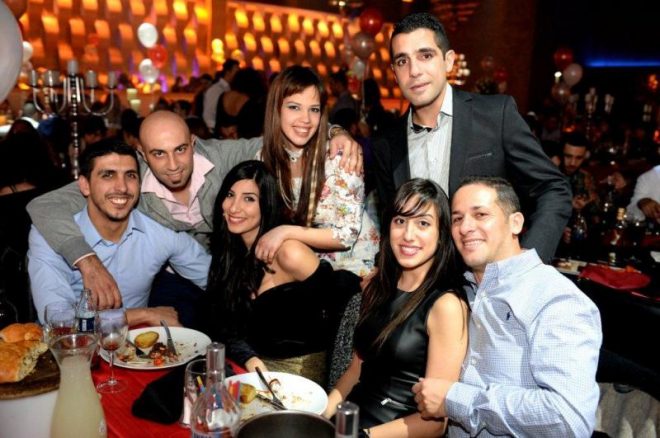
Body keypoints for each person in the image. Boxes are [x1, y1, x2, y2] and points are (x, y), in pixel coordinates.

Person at [26, 110, 362, 324]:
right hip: (176, 279)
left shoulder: (222, 156)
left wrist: (336, 133)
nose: (173, 165)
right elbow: (42, 206)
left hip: (221, 266)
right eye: (159, 154)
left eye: (180, 150)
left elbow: (288, 139)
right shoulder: (127, 177)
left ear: (194, 142)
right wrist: (87, 261)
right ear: (144, 155)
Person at [373, 12, 571, 262]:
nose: (414, 71)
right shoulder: (387, 144)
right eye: (403, 61)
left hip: (489, 278)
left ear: (448, 61)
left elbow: (553, 188)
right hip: (420, 280)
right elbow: (392, 224)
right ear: (394, 72)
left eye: (425, 56)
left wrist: (526, 266)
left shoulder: (495, 116)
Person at [412, 176, 602, 437]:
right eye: (457, 219)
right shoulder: (462, 290)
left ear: (516, 223)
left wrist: (457, 399)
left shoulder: (556, 299)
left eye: (480, 215)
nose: (465, 227)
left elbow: (569, 420)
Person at [324, 178, 468, 437]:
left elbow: (435, 423)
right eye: (400, 221)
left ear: (441, 234)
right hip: (349, 424)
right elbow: (355, 371)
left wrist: (366, 436)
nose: (408, 235)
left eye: (423, 223)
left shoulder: (446, 306)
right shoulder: (377, 287)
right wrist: (319, 416)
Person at [204, 160, 359, 385]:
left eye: (249, 199)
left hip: (298, 378)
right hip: (252, 367)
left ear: (266, 205)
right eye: (230, 195)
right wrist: (249, 358)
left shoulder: (289, 253)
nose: (234, 208)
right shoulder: (229, 252)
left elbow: (347, 303)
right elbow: (219, 321)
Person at [28, 139, 211, 327]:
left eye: (130, 176)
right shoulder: (50, 236)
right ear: (85, 185)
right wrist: (141, 315)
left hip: (139, 344)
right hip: (74, 345)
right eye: (108, 175)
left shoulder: (160, 231)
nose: (122, 187)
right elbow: (57, 322)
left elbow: (213, 279)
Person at [256, 65, 379, 278]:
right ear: (276, 109)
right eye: (294, 107)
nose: (306, 119)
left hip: (354, 269)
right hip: (303, 262)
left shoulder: (339, 156)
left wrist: (284, 232)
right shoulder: (264, 158)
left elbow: (346, 236)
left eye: (314, 109)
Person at [203, 59, 240, 131]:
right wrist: (219, 129)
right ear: (228, 72)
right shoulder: (216, 89)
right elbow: (208, 114)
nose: (238, 75)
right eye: (236, 72)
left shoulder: (231, 88)